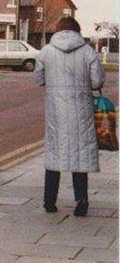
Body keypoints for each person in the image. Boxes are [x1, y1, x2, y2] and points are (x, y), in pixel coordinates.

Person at [35, 17, 104, 216]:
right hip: (81, 109)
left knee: (55, 154)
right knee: (80, 156)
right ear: (77, 31)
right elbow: (97, 81)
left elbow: (39, 79)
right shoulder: (88, 51)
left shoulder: (46, 51)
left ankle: (49, 202)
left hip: (56, 110)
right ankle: (81, 201)